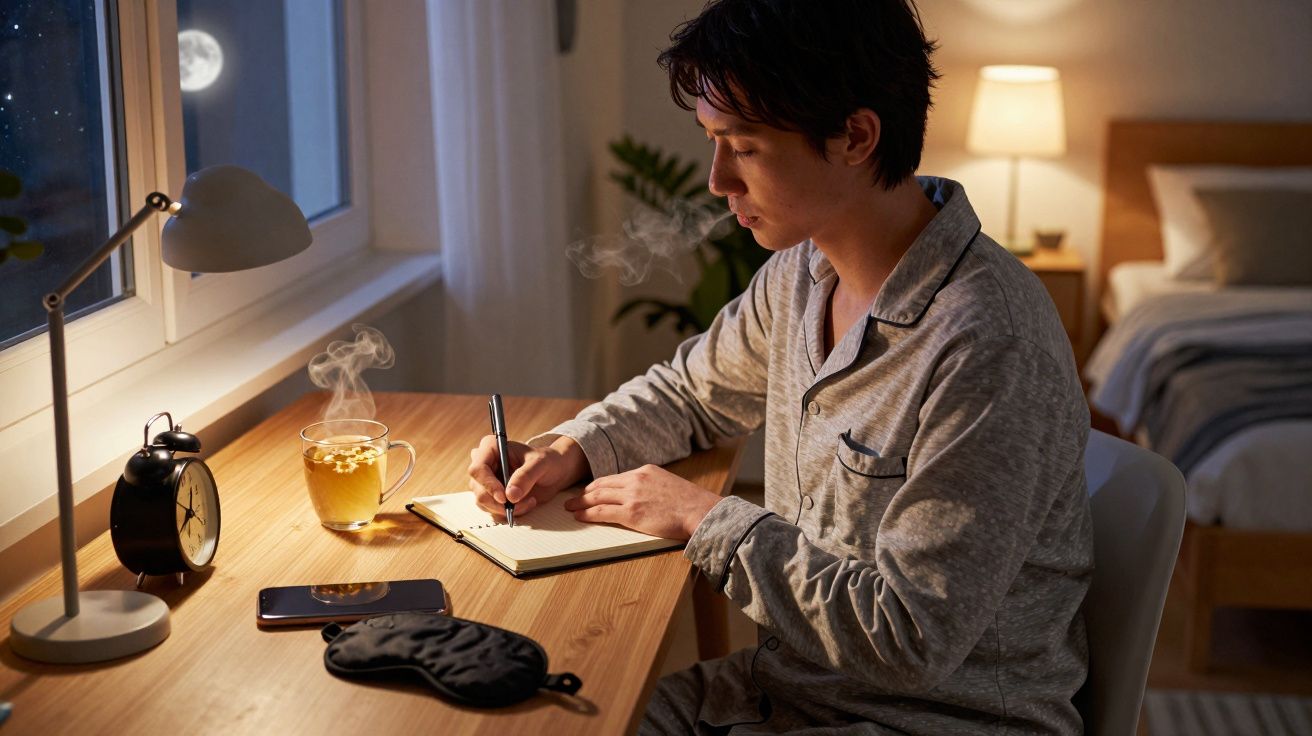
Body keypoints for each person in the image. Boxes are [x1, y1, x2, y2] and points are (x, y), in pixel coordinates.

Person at [467, 0, 1093, 732]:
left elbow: (910, 637)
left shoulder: (988, 342)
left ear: (855, 136)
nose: (716, 179)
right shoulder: (802, 273)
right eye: (711, 141)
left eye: (745, 146)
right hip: (787, 689)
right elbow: (690, 393)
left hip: (933, 718)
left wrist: (706, 519)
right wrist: (570, 449)